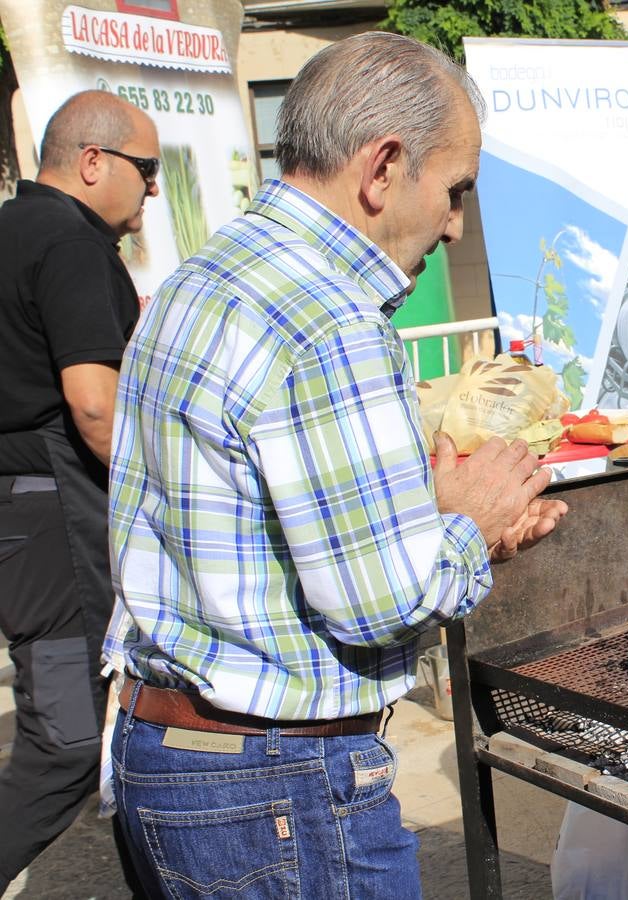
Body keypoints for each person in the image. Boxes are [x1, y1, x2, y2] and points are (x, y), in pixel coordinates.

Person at [104, 32, 567, 897]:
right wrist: (469, 527)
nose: (457, 222)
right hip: (274, 786)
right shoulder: (333, 319)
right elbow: (379, 604)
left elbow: (260, 523)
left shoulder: (204, 275)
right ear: (384, 166)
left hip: (169, 758)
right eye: (456, 188)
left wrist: (428, 516)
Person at [0, 90, 160, 892]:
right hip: (48, 512)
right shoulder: (67, 240)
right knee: (66, 738)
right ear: (93, 162)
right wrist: (164, 496)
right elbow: (96, 407)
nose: (153, 189)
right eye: (147, 168)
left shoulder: (9, 228)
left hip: (25, 508)